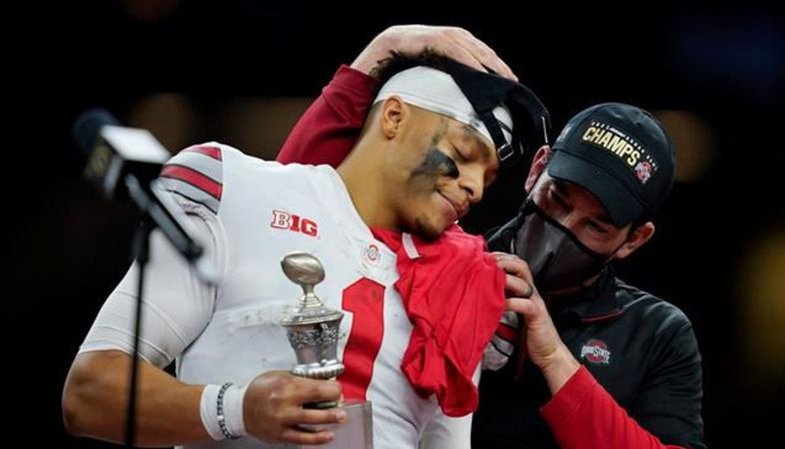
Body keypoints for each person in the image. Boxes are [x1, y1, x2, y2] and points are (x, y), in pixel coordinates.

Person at [62, 30, 549, 449]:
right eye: (462, 154)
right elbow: (89, 393)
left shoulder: (461, 278)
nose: (475, 187)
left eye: (488, 176)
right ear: (394, 117)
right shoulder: (238, 191)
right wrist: (237, 409)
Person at [276, 25, 705, 449]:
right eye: (557, 197)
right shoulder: (442, 258)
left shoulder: (657, 334)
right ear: (537, 168)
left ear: (635, 239)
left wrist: (553, 357)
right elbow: (299, 208)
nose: (564, 227)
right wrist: (382, 51)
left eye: (596, 226)